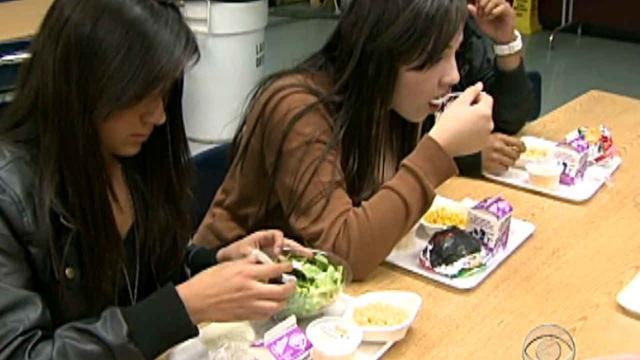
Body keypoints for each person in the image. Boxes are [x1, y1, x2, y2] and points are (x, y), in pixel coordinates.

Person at [0, 0, 308, 358]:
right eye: (142, 95)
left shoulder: (133, 158)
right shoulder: (11, 196)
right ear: (84, 83)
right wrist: (184, 306)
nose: (159, 115)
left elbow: (148, 276)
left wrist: (216, 264)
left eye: (163, 92)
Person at [193, 0, 495, 280]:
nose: (453, 75)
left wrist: (507, 44)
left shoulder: (394, 103)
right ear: (385, 51)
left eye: (455, 52)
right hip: (229, 305)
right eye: (436, 56)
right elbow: (343, 255)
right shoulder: (298, 108)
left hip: (314, 296)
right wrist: (437, 150)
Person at [427, 0, 536, 176]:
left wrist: (505, 43)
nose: (453, 75)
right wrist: (462, 155)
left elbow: (507, 119)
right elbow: (397, 147)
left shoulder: (466, 31)